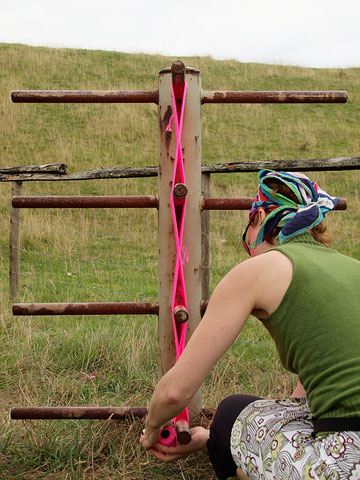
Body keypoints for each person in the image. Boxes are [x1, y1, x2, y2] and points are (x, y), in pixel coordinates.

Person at [140, 170, 360, 480]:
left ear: (258, 217)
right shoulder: (352, 268)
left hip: (345, 460)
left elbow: (175, 393)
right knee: (235, 425)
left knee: (231, 413)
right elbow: (304, 401)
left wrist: (151, 427)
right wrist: (212, 439)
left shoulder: (258, 270)